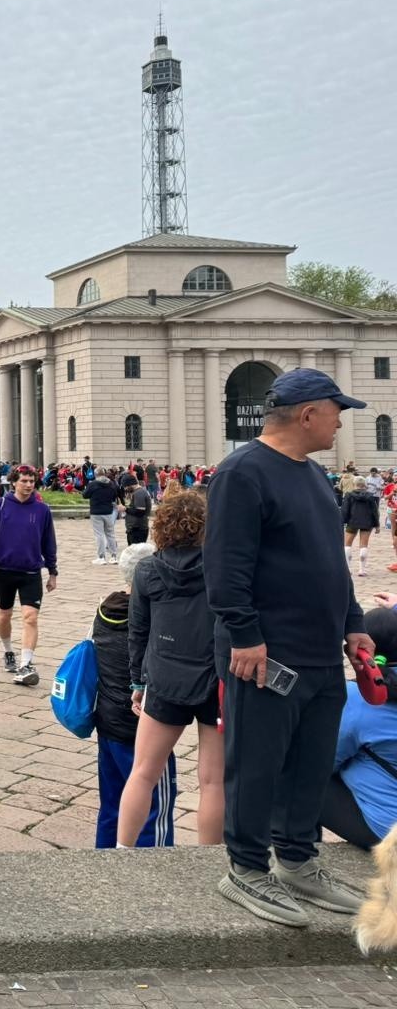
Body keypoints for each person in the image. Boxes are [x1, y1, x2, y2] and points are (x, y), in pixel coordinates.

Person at [207, 368, 374, 927]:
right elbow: (226, 570)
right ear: (307, 414)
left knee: (311, 762)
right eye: (336, 411)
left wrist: (352, 622)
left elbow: (332, 564)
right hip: (266, 654)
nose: (340, 422)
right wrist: (246, 635)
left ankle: (298, 861)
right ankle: (247, 868)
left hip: (322, 653)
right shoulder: (242, 473)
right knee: (257, 763)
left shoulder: (315, 476)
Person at [118, 488, 222, 846]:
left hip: (164, 677)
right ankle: (209, 860)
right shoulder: (221, 568)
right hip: (214, 678)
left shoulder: (147, 570)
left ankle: (121, 851)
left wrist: (137, 682)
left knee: (143, 773)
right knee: (212, 781)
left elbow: (138, 632)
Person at [92, 543, 176, 847]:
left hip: (108, 722)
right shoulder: (156, 617)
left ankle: (104, 860)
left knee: (113, 804)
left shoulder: (104, 609)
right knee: (153, 808)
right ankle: (152, 870)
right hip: (145, 726)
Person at [321, 597, 397, 849]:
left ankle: (296, 857)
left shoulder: (360, 700)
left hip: (388, 832)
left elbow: (324, 762)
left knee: (294, 776)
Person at [0, 464, 57, 688]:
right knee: (4, 614)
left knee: (30, 617)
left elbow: (48, 542)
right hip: (4, 571)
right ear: (13, 482)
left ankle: (26, 664)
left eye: (32, 481)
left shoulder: (42, 510)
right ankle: (8, 651)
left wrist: (52, 571)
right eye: (24, 481)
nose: (28, 485)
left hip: (31, 572)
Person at [344, 476, 382, 578]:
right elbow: (375, 511)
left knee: (347, 544)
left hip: (352, 521)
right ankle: (362, 569)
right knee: (364, 545)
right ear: (364, 484)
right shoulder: (370, 496)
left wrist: (342, 521)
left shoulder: (349, 495)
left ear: (354, 484)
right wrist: (377, 524)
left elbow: (345, 510)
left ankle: (348, 569)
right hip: (367, 522)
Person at [85, 470, 123, 564]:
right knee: (110, 534)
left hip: (96, 512)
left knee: (99, 534)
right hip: (108, 511)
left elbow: (85, 495)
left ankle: (101, 557)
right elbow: (116, 495)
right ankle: (114, 556)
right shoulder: (111, 484)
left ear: (95, 474)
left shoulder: (93, 484)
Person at [123, 476, 153, 547]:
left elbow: (140, 512)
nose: (125, 489)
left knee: (136, 554)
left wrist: (125, 509)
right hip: (135, 528)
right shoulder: (138, 492)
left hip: (138, 529)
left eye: (125, 486)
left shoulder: (139, 493)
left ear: (130, 484)